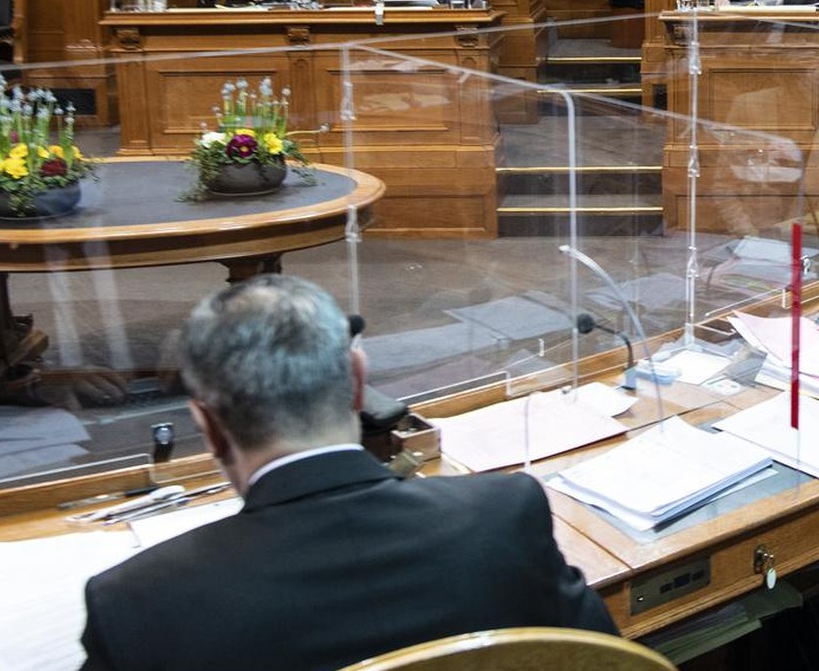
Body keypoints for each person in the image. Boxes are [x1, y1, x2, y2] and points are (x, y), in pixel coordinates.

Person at [79, 275, 615, 671]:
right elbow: (610, 660)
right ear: (359, 384)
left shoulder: (135, 603)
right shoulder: (504, 514)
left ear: (208, 426)